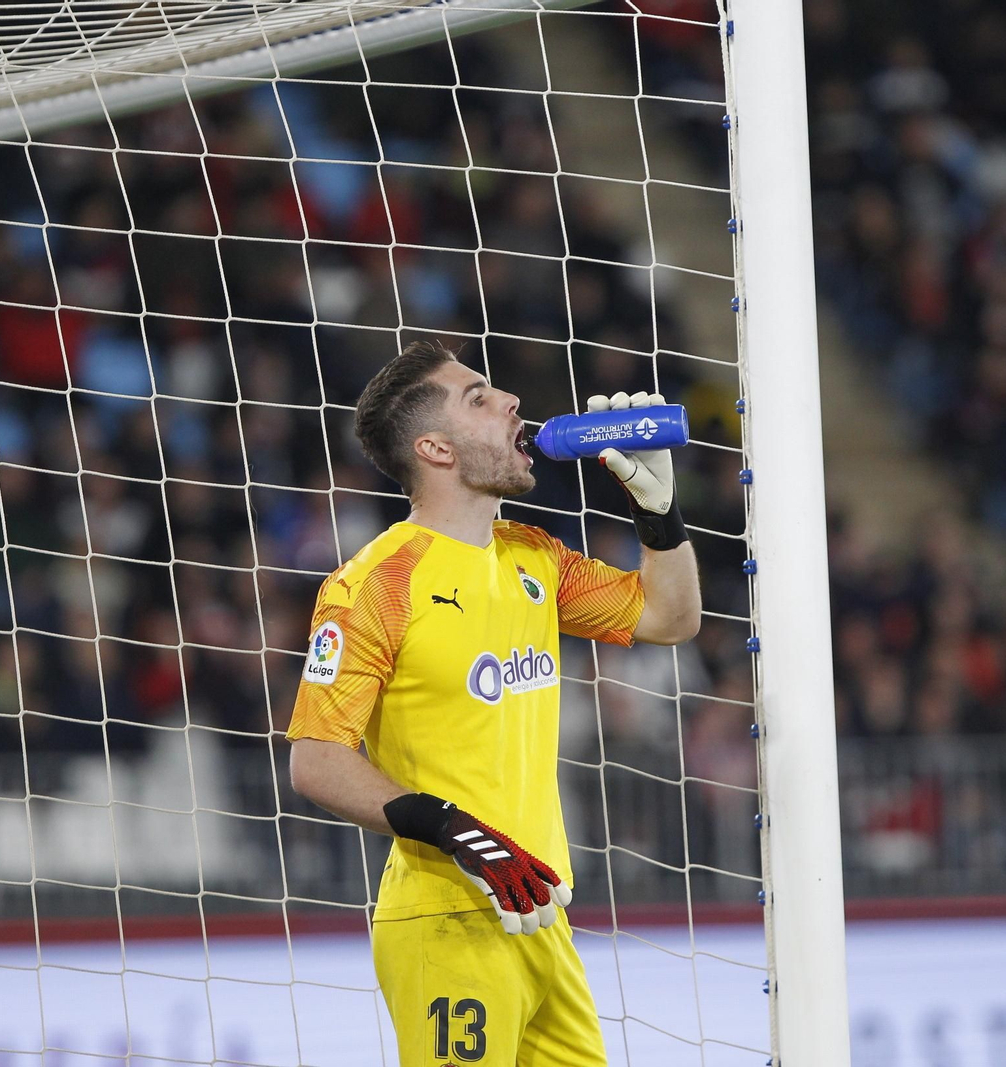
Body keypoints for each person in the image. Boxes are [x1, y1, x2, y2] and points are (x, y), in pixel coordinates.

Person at [286, 340, 701, 1066]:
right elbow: (315, 760)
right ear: (435, 448)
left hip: (544, 917)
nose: (511, 400)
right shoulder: (373, 585)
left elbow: (670, 617)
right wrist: (449, 827)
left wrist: (656, 511)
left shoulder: (532, 555)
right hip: (448, 916)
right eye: (478, 397)